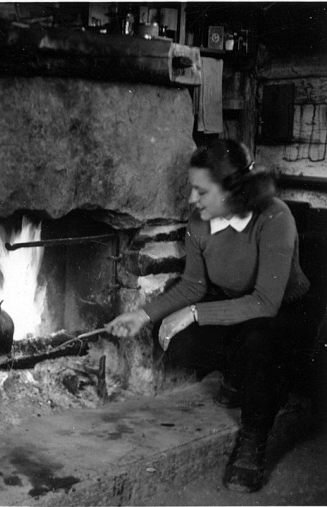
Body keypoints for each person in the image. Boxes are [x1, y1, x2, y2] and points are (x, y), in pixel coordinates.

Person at [105, 139, 310, 493]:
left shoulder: (276, 217)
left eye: (200, 191)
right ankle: (239, 372)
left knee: (260, 343)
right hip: (236, 304)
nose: (190, 200)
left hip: (283, 311)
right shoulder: (200, 221)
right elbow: (192, 285)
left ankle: (254, 437)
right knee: (177, 342)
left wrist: (195, 312)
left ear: (233, 190)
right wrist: (143, 314)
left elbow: (264, 303)